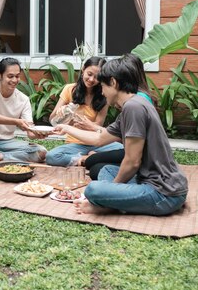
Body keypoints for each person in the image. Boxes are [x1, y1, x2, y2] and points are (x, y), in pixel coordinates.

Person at [52, 53, 188, 216]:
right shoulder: (133, 104)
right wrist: (66, 128)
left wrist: (110, 192)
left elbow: (132, 162)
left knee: (94, 189)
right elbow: (99, 138)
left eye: (102, 86)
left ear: (114, 83)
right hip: (147, 180)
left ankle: (108, 204)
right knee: (107, 170)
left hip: (164, 192)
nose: (101, 92)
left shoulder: (133, 108)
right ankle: (116, 201)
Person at [80, 53, 153, 179]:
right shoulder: (131, 100)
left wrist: (115, 187)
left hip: (142, 159)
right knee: (92, 162)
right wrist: (66, 127)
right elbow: (105, 136)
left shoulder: (135, 104)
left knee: (95, 170)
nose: (102, 91)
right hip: (132, 152)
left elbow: (133, 158)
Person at [45, 57, 124, 167]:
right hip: (75, 144)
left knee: (122, 149)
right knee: (52, 156)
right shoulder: (69, 89)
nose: (91, 79)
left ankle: (91, 157)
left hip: (97, 143)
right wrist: (61, 114)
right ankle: (87, 159)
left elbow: (98, 125)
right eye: (89, 74)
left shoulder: (104, 95)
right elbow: (52, 120)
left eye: (96, 77)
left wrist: (85, 124)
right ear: (83, 70)